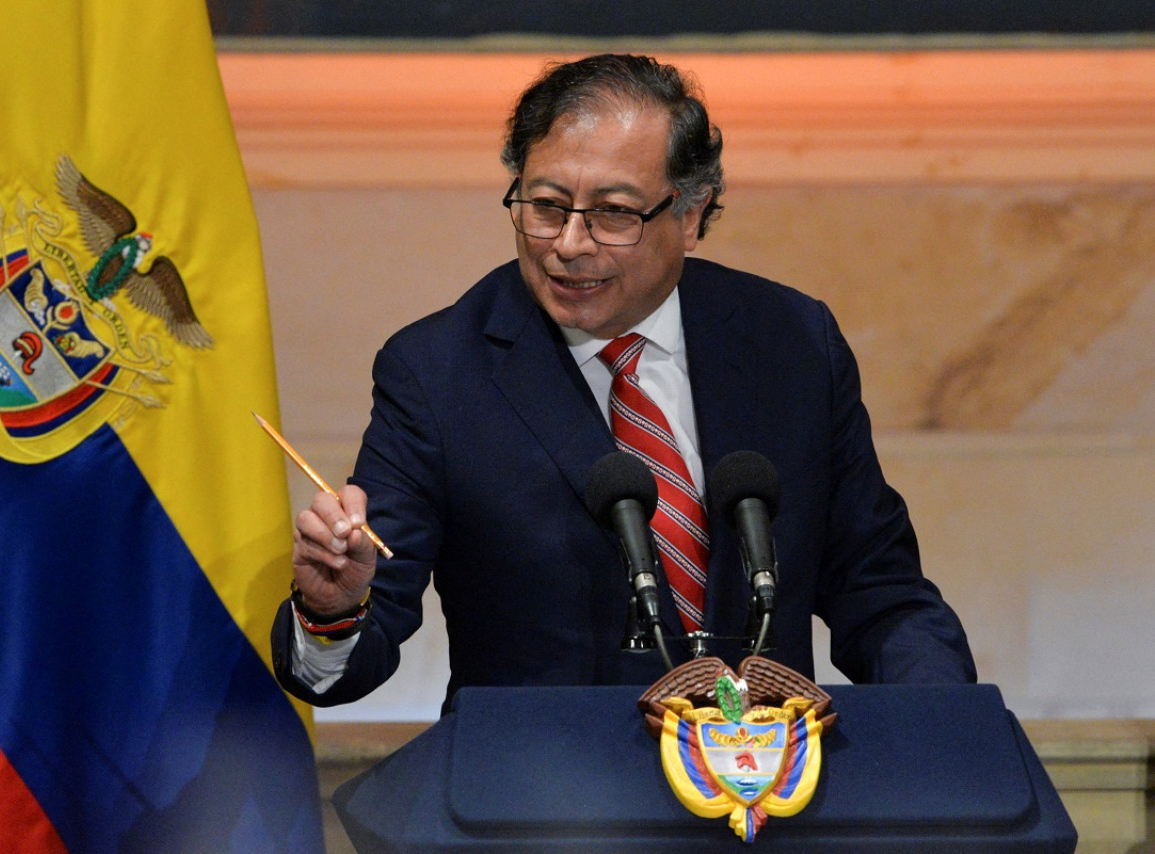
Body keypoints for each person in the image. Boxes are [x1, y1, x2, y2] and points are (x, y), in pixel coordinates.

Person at [271, 54, 976, 712]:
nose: (571, 245)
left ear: (691, 215)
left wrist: (944, 730)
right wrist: (332, 610)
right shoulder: (437, 371)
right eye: (546, 205)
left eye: (613, 213)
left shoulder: (791, 341)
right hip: (546, 812)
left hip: (767, 798)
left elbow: (879, 593)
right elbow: (349, 653)